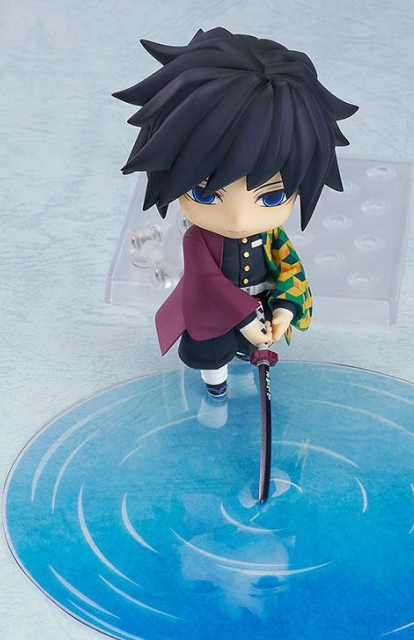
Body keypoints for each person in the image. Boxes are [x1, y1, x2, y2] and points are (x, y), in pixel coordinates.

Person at [114, 27, 357, 396]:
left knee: (251, 349)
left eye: (271, 198)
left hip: (259, 305)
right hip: (212, 309)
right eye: (205, 193)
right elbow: (205, 282)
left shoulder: (273, 236)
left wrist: (284, 310)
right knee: (212, 352)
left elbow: (291, 269)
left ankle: (243, 364)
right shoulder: (197, 240)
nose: (239, 219)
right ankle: (216, 388)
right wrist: (244, 318)